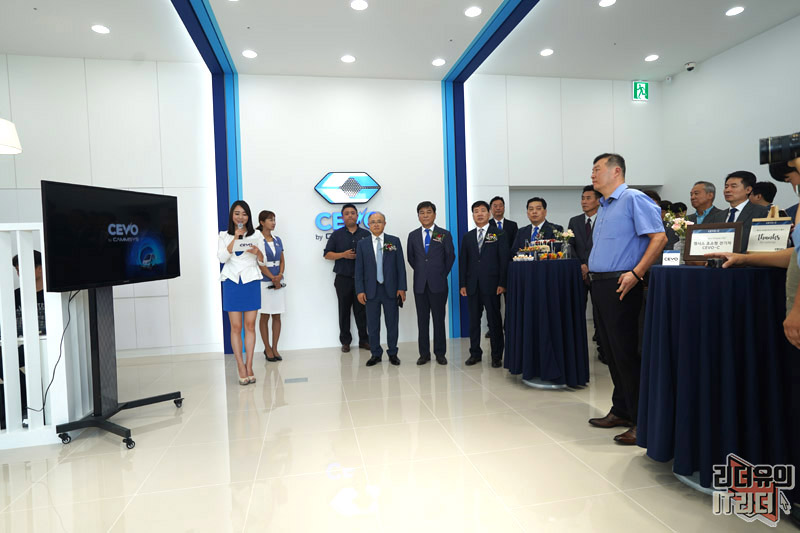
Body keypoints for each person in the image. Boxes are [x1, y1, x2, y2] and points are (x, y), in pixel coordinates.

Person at [586, 153, 667, 446]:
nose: (592, 175)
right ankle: (621, 409)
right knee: (610, 352)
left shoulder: (634, 198)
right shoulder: (605, 206)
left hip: (622, 283)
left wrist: (637, 272)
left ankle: (641, 420)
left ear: (616, 171)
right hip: (600, 285)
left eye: (597, 169)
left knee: (626, 353)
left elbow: (659, 237)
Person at [218, 201, 267, 385]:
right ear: (232, 215)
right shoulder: (224, 235)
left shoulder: (257, 235)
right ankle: (240, 366)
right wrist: (236, 238)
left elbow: (263, 262)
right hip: (232, 282)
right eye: (237, 213)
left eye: (244, 214)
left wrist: (258, 252)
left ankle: (250, 365)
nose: (241, 217)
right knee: (236, 327)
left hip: (251, 281)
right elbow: (222, 258)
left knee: (250, 325)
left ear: (249, 216)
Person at [459, 200, 508, 368]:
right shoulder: (468, 236)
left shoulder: (499, 234)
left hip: (493, 285)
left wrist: (502, 282)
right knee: (473, 322)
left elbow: (504, 260)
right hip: (472, 286)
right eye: (476, 211)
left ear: (489, 213)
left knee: (494, 321)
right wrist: (463, 284)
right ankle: (475, 353)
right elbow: (463, 262)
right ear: (472, 215)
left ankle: (496, 356)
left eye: (482, 210)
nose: (479, 214)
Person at [355, 212, 407, 366]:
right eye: (373, 222)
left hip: (390, 289)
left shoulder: (393, 241)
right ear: (369, 225)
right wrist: (360, 290)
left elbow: (400, 266)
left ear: (385, 223)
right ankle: (375, 354)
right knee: (372, 325)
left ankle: (393, 353)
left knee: (392, 324)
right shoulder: (362, 244)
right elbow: (359, 269)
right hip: (370, 291)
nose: (376, 224)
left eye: (379, 221)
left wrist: (402, 288)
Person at [406, 201, 455, 365]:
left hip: (438, 283)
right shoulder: (413, 235)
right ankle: (424, 354)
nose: (425, 215)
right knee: (422, 320)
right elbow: (411, 258)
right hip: (420, 284)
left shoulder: (444, 234)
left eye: (428, 212)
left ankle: (440, 353)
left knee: (439, 319)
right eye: (422, 213)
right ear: (418, 216)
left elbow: (450, 256)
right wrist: (423, 272)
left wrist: (440, 274)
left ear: (434, 214)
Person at [323, 203, 371, 353]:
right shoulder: (337, 235)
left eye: (352, 213)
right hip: (343, 279)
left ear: (357, 216)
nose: (350, 215)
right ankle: (345, 342)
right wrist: (343, 255)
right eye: (347, 213)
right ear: (342, 217)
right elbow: (327, 254)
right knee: (344, 310)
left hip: (362, 280)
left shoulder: (366, 234)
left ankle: (364, 340)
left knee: (362, 311)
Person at [567, 185, 603, 360]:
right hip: (578, 274)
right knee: (576, 310)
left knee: (600, 313)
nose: (584, 201)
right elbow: (569, 245)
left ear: (598, 200)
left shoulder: (604, 220)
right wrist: (580, 265)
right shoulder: (574, 221)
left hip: (599, 273)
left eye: (588, 198)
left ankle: (603, 348)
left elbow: (605, 246)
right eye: (582, 198)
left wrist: (590, 265)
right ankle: (577, 348)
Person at [705, 171, 770, 252]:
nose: (727, 190)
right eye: (726, 187)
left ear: (748, 190)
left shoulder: (761, 212)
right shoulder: (717, 216)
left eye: (733, 186)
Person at [256, 210, 286, 362]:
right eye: (270, 220)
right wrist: (272, 278)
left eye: (274, 219)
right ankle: (267, 348)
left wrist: (279, 275)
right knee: (265, 315)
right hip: (264, 282)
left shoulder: (277, 240)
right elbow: (259, 263)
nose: (273, 223)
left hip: (278, 282)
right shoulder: (257, 240)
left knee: (277, 315)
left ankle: (275, 348)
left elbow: (282, 259)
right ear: (262, 222)